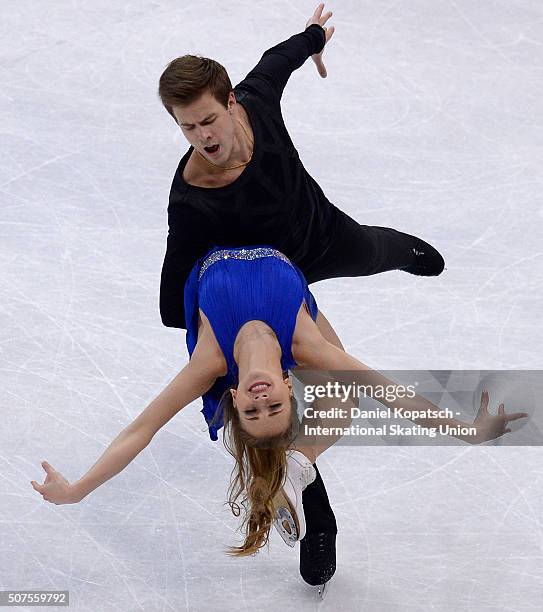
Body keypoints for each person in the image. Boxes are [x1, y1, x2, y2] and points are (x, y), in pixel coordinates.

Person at [31, 245, 526, 589]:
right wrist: (468, 432)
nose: (262, 397)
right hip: (284, 259)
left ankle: (290, 466)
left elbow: (140, 429)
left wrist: (79, 489)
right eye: (273, 407)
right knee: (348, 388)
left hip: (216, 248)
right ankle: (296, 462)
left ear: (234, 400)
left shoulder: (212, 362)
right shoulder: (303, 345)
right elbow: (391, 392)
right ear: (292, 390)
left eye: (252, 408)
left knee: (342, 390)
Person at [157, 2, 444, 583]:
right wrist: (213, 314)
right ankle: (310, 505)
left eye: (208, 119)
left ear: (232, 101)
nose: (202, 136)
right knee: (278, 396)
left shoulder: (258, 99)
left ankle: (404, 251)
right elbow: (171, 300)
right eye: (187, 127)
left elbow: (278, 60)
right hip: (277, 279)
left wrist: (314, 37)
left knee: (375, 252)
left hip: (325, 233)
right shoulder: (192, 197)